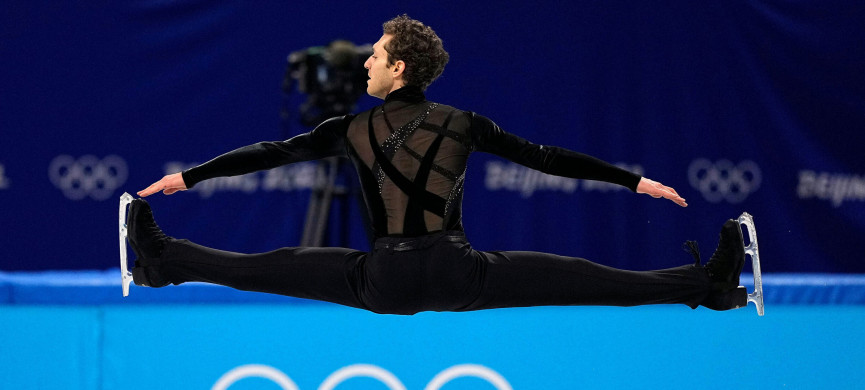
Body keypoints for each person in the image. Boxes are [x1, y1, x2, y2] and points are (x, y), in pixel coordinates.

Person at [127, 14, 748, 314]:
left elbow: (271, 154)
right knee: (588, 278)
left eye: (375, 55)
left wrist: (190, 176)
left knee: (263, 267)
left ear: (399, 68)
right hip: (460, 273)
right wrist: (634, 180)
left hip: (383, 282)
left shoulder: (351, 129)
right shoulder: (462, 123)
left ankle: (162, 262)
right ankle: (710, 287)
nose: (366, 63)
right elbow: (547, 159)